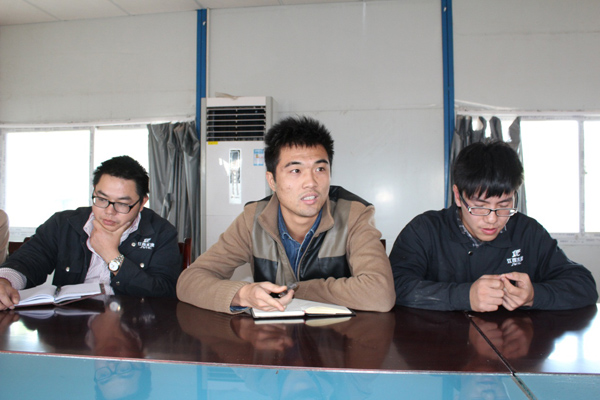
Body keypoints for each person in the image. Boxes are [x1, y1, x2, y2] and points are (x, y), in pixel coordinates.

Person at [177, 116, 395, 314]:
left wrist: (295, 290)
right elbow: (189, 281)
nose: (311, 182)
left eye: (320, 169)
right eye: (295, 171)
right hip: (272, 338)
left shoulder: (353, 214)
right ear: (272, 181)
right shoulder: (253, 219)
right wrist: (242, 294)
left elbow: (379, 294)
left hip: (337, 337)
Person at [390, 140, 598, 312]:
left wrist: (534, 295)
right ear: (458, 196)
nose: (492, 219)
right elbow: (395, 286)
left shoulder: (527, 232)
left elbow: (584, 285)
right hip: (440, 344)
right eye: (480, 207)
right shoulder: (425, 230)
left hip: (513, 344)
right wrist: (464, 296)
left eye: (504, 206)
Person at [0, 156, 181, 310]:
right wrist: (5, 281)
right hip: (68, 327)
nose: (109, 211)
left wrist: (112, 256)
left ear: (142, 203)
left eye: (122, 204)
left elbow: (165, 292)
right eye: (101, 199)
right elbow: (29, 260)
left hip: (133, 326)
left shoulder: (161, 232)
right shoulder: (63, 224)